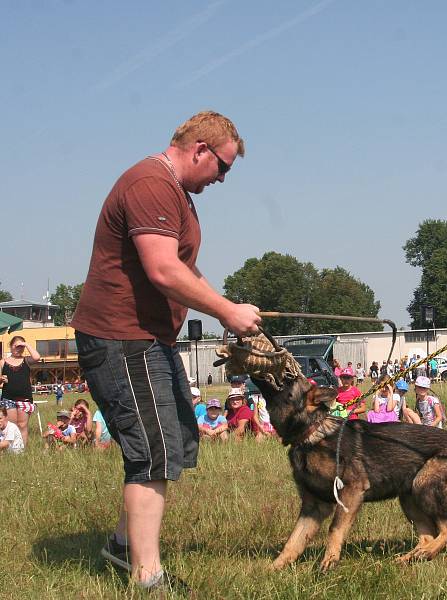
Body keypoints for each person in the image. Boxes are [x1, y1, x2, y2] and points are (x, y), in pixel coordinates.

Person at [69, 111, 261, 590]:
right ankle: (147, 577)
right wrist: (227, 311)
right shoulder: (150, 185)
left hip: (148, 338)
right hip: (123, 337)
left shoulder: (176, 193)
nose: (222, 179)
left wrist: (226, 309)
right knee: (152, 453)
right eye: (223, 167)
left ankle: (120, 545)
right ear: (200, 148)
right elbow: (161, 270)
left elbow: (183, 270)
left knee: (173, 439)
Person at [0, 335, 42, 447]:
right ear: (10, 346)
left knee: (22, 425)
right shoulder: (3, 362)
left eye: (21, 347)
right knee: (12, 426)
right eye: (16, 346)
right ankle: (12, 450)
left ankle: (22, 451)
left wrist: (26, 344)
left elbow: (37, 357)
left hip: (25, 398)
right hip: (8, 398)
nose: (19, 349)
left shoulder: (26, 360)